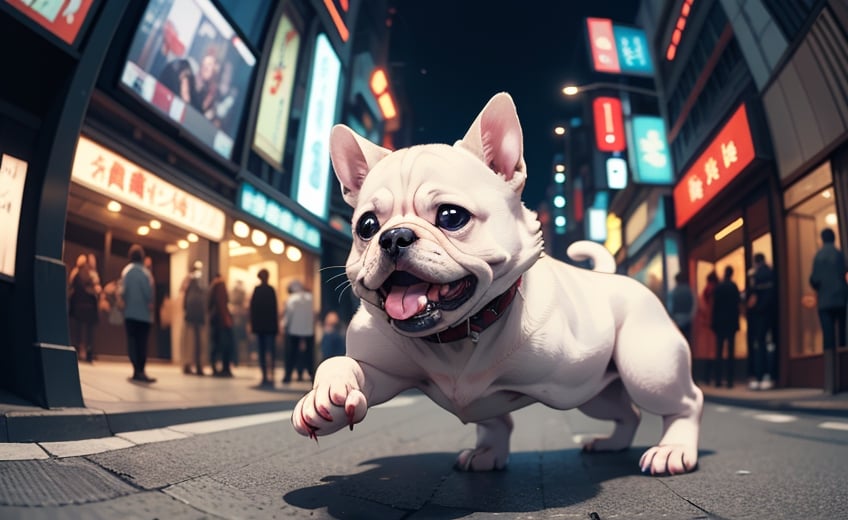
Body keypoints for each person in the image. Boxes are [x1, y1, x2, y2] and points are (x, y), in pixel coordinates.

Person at [809, 228, 848, 394]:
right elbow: (843, 272)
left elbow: (814, 280)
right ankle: (844, 377)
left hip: (825, 301)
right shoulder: (839, 254)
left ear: (822, 239)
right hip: (841, 298)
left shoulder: (818, 256)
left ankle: (830, 385)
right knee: (843, 336)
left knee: (828, 337)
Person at [119, 244, 156, 383]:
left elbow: (123, 292)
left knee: (132, 342)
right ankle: (141, 371)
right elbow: (149, 295)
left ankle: (135, 371)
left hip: (130, 313)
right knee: (142, 343)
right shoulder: (146, 273)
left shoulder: (126, 272)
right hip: (144, 315)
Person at [747, 253, 777, 390]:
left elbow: (752, 296)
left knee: (760, 344)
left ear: (756, 262)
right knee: (770, 344)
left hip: (759, 314)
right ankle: (770, 375)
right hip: (771, 313)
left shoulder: (757, 276)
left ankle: (760, 376)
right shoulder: (771, 273)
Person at [711, 265, 741, 388]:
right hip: (731, 322)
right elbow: (737, 303)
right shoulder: (734, 287)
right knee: (730, 351)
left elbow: (715, 306)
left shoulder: (719, 287)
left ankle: (718, 379)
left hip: (720, 322)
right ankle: (730, 381)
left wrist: (713, 322)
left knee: (719, 351)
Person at [282, 280, 315, 383]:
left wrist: (284, 325)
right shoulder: (310, 298)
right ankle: (311, 374)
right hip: (309, 330)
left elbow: (288, 316)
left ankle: (288, 375)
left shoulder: (291, 299)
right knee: (309, 354)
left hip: (294, 330)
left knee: (291, 353)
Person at [68, 253, 100, 363]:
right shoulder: (91, 274)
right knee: (88, 332)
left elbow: (71, 288)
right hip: (89, 307)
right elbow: (96, 289)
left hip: (77, 306)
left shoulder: (74, 273)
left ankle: (76, 352)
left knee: (77, 331)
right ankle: (89, 354)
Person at [249, 269, 279, 386]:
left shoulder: (257, 290)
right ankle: (272, 375)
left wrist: (252, 325)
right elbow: (275, 309)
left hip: (260, 326)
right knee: (271, 351)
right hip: (271, 326)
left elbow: (253, 309)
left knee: (262, 351)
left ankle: (265, 376)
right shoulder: (271, 290)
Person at [180, 261, 207, 375]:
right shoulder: (198, 279)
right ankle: (196, 365)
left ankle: (191, 364)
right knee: (196, 341)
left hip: (191, 314)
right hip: (197, 314)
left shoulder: (191, 279)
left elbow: (183, 291)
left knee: (192, 341)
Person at [208, 272, 234, 377]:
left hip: (214, 319)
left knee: (215, 345)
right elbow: (222, 303)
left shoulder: (212, 287)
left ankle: (214, 367)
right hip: (221, 320)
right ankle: (225, 368)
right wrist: (227, 318)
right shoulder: (220, 285)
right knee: (225, 345)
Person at [667, 271, 697, 344]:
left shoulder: (673, 292)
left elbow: (670, 306)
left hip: (676, 318)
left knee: (678, 341)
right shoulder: (690, 291)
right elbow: (694, 305)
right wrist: (690, 316)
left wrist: (672, 317)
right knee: (687, 340)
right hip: (687, 318)